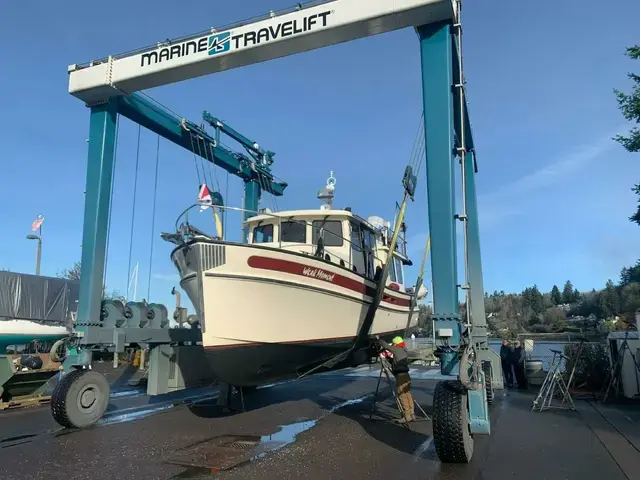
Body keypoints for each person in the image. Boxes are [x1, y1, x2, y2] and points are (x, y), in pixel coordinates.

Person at [376, 335, 415, 423]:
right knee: (407, 393)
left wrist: (379, 340)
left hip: (401, 376)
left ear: (396, 344)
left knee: (401, 394)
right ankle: (412, 414)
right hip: (406, 375)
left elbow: (386, 346)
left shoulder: (397, 349)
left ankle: (406, 416)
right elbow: (396, 361)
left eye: (394, 343)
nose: (393, 345)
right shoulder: (403, 350)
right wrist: (388, 359)